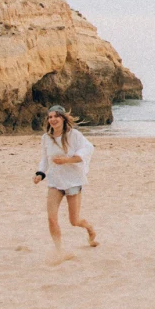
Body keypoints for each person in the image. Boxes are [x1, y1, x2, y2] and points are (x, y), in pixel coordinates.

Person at [33, 105, 97, 265]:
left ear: (63, 118)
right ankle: (59, 250)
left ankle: (89, 228)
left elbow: (88, 149)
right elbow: (45, 159)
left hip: (73, 180)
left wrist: (67, 160)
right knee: (51, 218)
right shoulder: (46, 138)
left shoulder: (74, 135)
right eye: (50, 117)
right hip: (55, 181)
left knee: (74, 221)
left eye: (56, 116)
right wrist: (40, 173)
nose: (52, 119)